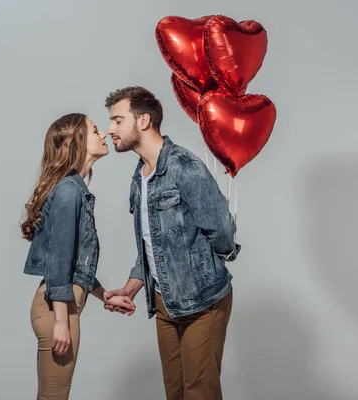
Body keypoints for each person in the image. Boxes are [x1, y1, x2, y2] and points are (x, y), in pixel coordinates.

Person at [102, 87, 241, 400]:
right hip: (165, 304)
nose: (111, 129)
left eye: (118, 120)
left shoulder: (184, 168)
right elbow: (152, 241)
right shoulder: (140, 175)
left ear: (143, 121)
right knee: (175, 393)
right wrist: (135, 283)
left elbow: (221, 229)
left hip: (203, 302)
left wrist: (201, 269)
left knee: (199, 394)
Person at [21, 112, 136, 400]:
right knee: (54, 397)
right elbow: (59, 261)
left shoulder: (73, 189)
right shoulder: (69, 192)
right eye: (96, 130)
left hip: (59, 306)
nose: (104, 134)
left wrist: (104, 294)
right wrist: (61, 321)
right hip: (56, 309)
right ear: (79, 143)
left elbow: (73, 262)